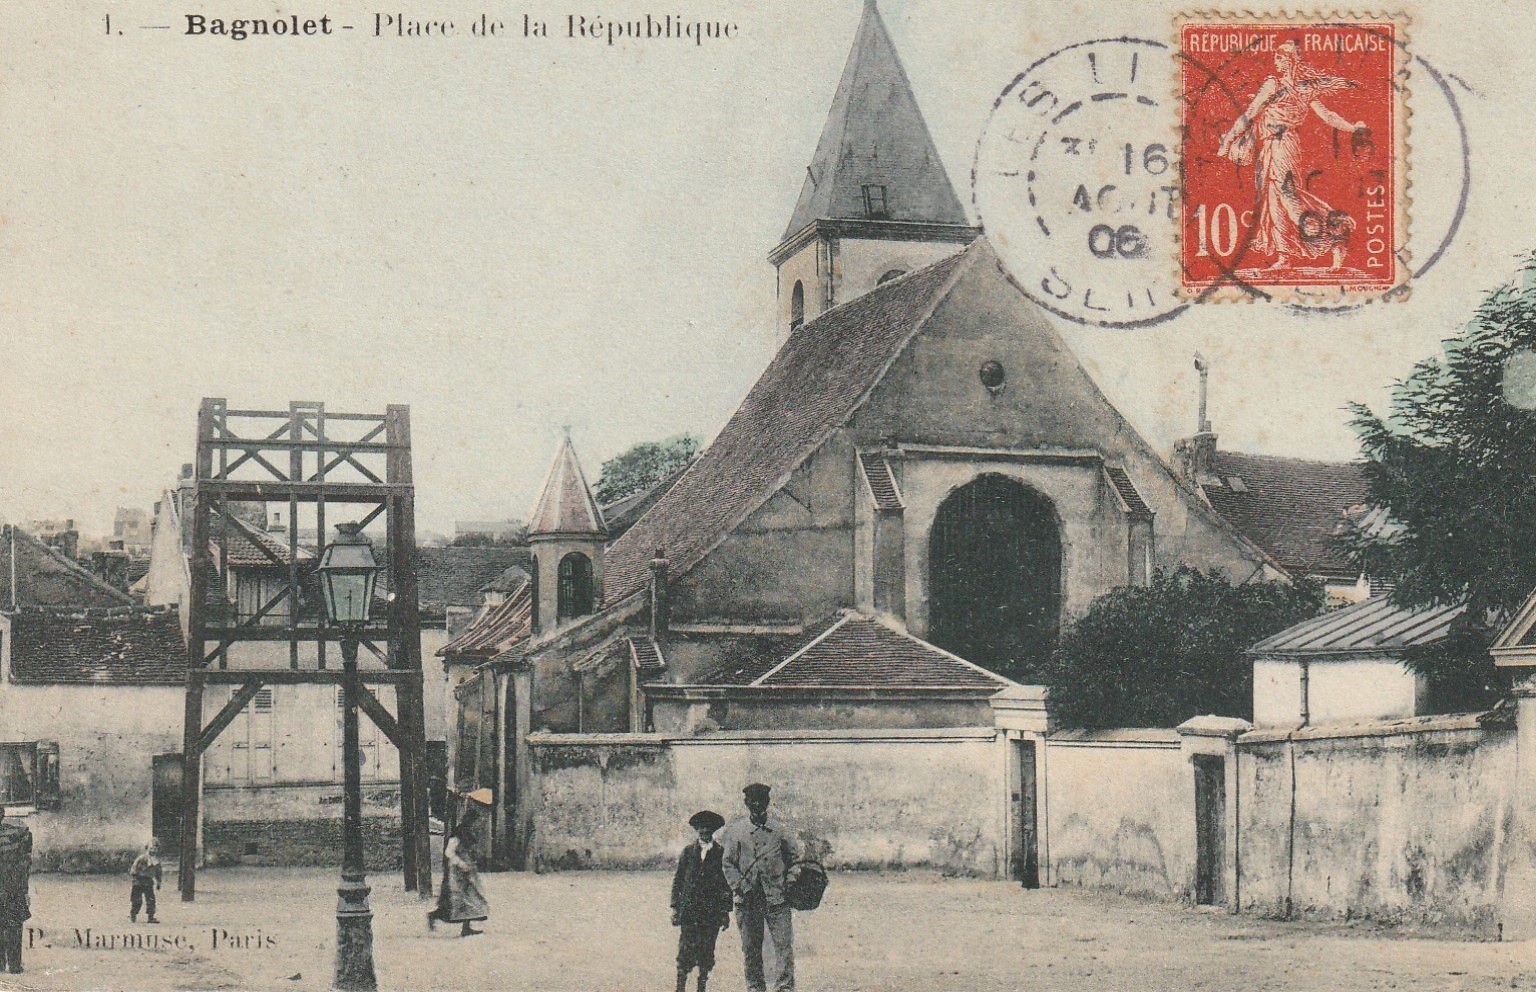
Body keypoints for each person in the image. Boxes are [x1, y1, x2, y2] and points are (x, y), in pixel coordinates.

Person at [1217, 40, 1366, 271]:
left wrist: (1227, 142)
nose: (1275, 62)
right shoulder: (1305, 88)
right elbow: (1328, 116)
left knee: (1288, 198)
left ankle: (1336, 235)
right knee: (1274, 200)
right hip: (1273, 146)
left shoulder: (1275, 85)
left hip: (1282, 145)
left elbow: (1250, 114)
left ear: (1287, 61)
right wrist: (1352, 127)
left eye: (1279, 58)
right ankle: (1284, 255)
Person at [720, 783, 797, 992]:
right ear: (746, 803)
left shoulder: (780, 831)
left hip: (777, 899)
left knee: (783, 947)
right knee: (751, 949)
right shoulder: (736, 832)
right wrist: (740, 887)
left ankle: (785, 987)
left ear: (767, 803)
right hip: (747, 901)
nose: (757, 805)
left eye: (761, 801)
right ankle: (755, 987)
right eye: (752, 801)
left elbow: (795, 861)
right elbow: (727, 864)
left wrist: (788, 883)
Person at [671, 810, 732, 992]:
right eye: (701, 827)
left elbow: (725, 884)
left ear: (714, 830)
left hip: (710, 912)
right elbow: (679, 880)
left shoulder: (721, 853)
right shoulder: (688, 852)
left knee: (707, 949)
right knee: (686, 948)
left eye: (708, 828)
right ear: (696, 829)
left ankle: (701, 986)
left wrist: (725, 912)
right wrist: (675, 907)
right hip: (689, 910)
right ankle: (680, 986)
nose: (704, 831)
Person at [428, 816, 489, 936]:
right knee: (458, 900)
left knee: (470, 898)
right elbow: (449, 852)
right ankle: (434, 916)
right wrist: (460, 863)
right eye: (475, 822)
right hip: (456, 873)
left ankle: (466, 928)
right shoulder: (457, 836)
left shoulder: (469, 835)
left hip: (466, 872)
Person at [0, 807, 31, 974]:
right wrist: (24, 888)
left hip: (11, 886)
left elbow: (23, 862)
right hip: (14, 886)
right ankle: (14, 965)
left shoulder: (16, 833)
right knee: (13, 925)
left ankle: (8, 964)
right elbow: (25, 862)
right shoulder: (18, 832)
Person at [129, 838, 162, 923]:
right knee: (137, 900)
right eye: (151, 848)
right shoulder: (142, 858)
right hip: (138, 881)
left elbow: (158, 872)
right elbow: (133, 869)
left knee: (151, 899)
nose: (153, 850)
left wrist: (158, 882)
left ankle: (150, 917)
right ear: (147, 848)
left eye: (155, 848)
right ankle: (133, 914)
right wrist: (136, 876)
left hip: (148, 882)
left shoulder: (156, 861)